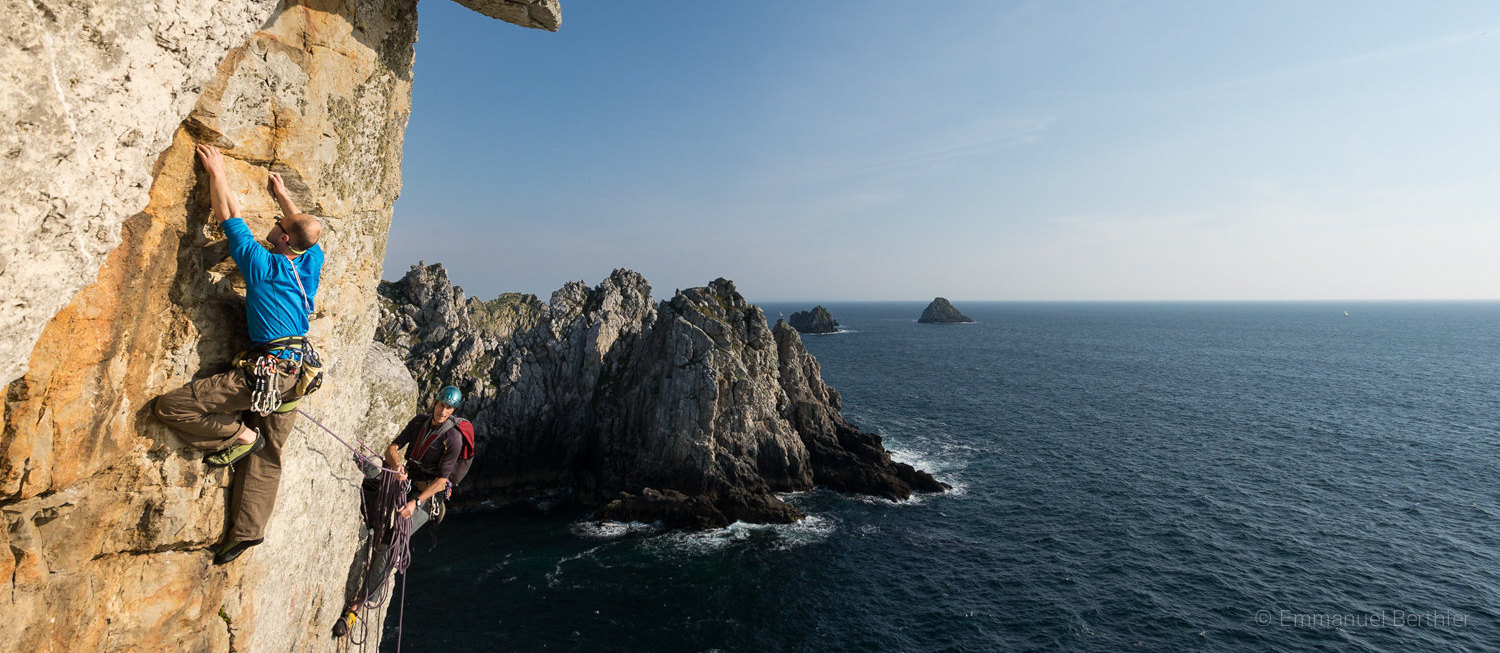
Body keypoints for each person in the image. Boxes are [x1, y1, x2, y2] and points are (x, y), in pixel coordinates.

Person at [153, 144, 325, 565]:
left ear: (283, 238)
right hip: (298, 370)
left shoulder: (262, 265)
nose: (273, 224)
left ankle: (237, 436)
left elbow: (228, 215)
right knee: (272, 454)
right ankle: (248, 532)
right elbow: (309, 234)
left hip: (268, 371)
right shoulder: (308, 265)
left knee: (172, 407)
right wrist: (283, 196)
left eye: (278, 223)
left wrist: (218, 172)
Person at [334, 385, 475, 638]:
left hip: (427, 497)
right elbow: (392, 448)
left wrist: (415, 503)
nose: (443, 411)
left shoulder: (452, 438)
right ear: (435, 402)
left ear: (453, 410)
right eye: (441, 405)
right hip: (406, 481)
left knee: (393, 540)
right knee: (366, 486)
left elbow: (443, 482)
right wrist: (397, 465)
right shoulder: (419, 423)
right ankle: (375, 523)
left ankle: (357, 607)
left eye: (449, 408)